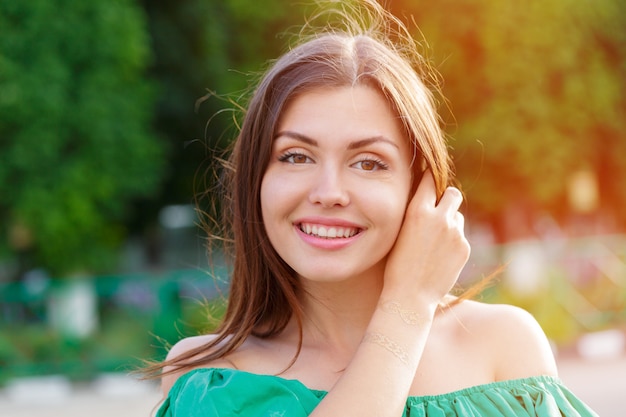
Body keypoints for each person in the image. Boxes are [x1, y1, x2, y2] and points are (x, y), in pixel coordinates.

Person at [149, 1, 598, 416]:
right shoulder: (205, 380)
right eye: (296, 156)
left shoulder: (502, 346)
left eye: (368, 162)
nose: (329, 192)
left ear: (421, 189)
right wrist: (405, 310)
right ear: (256, 181)